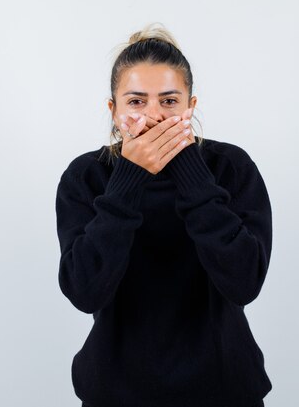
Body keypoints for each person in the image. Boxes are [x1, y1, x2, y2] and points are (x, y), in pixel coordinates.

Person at [54, 22, 273, 407]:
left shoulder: (231, 168)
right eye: (136, 101)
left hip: (224, 388)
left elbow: (244, 282)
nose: (153, 115)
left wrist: (186, 164)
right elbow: (85, 291)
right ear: (113, 109)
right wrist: (129, 176)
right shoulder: (86, 177)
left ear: (191, 105)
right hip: (116, 391)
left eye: (169, 101)